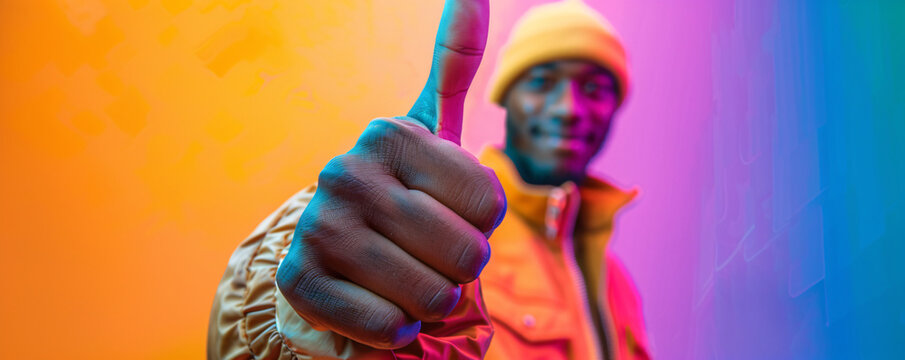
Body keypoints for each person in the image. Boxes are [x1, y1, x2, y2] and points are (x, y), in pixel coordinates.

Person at [207, 0, 650, 359]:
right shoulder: (444, 232)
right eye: (542, 82)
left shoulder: (618, 285)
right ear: (507, 98)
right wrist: (302, 321)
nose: (569, 109)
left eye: (594, 89)